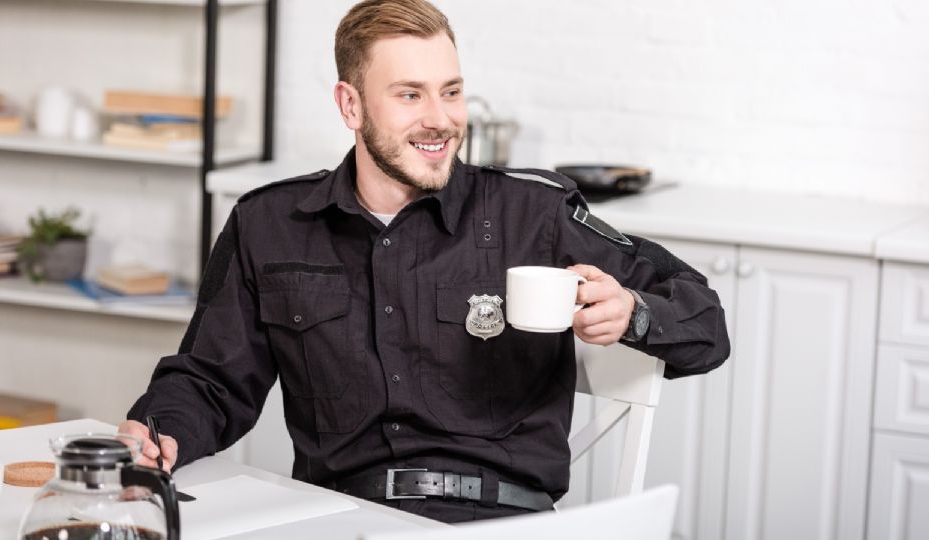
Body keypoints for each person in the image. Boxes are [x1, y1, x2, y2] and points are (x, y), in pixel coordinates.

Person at [119, 0, 730, 523]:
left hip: (499, 523)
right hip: (336, 518)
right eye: (410, 94)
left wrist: (634, 313)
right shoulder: (270, 223)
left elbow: (706, 323)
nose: (440, 119)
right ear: (351, 105)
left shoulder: (533, 212)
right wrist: (159, 433)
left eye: (452, 91)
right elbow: (209, 381)